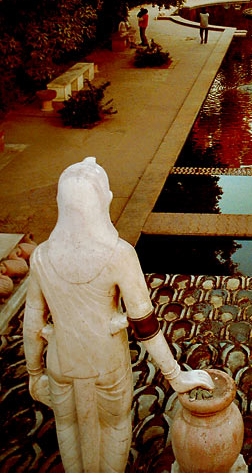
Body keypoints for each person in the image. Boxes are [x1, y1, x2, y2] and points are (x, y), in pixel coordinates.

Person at [23, 157, 213, 473]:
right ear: (103, 202)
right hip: (107, 365)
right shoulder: (119, 254)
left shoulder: (42, 256)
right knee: (114, 428)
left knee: (67, 427)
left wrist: (33, 373)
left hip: (60, 363)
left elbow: (33, 322)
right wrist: (175, 376)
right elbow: (145, 325)